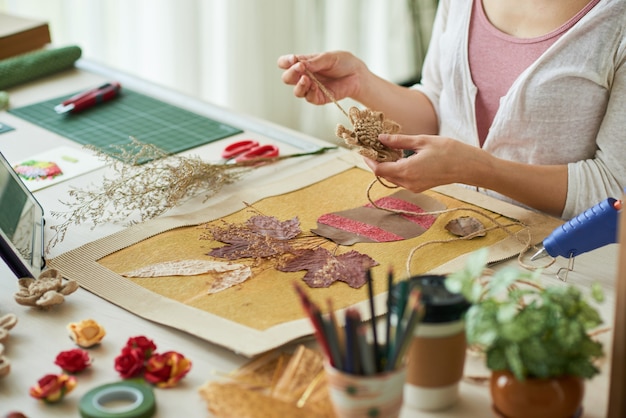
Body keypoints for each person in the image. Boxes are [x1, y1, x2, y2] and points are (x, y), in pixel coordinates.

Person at [278, 0, 626, 220]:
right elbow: (439, 110)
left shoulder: (616, 21)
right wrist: (361, 83)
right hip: (451, 233)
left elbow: (615, 188)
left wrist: (479, 170)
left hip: (557, 263)